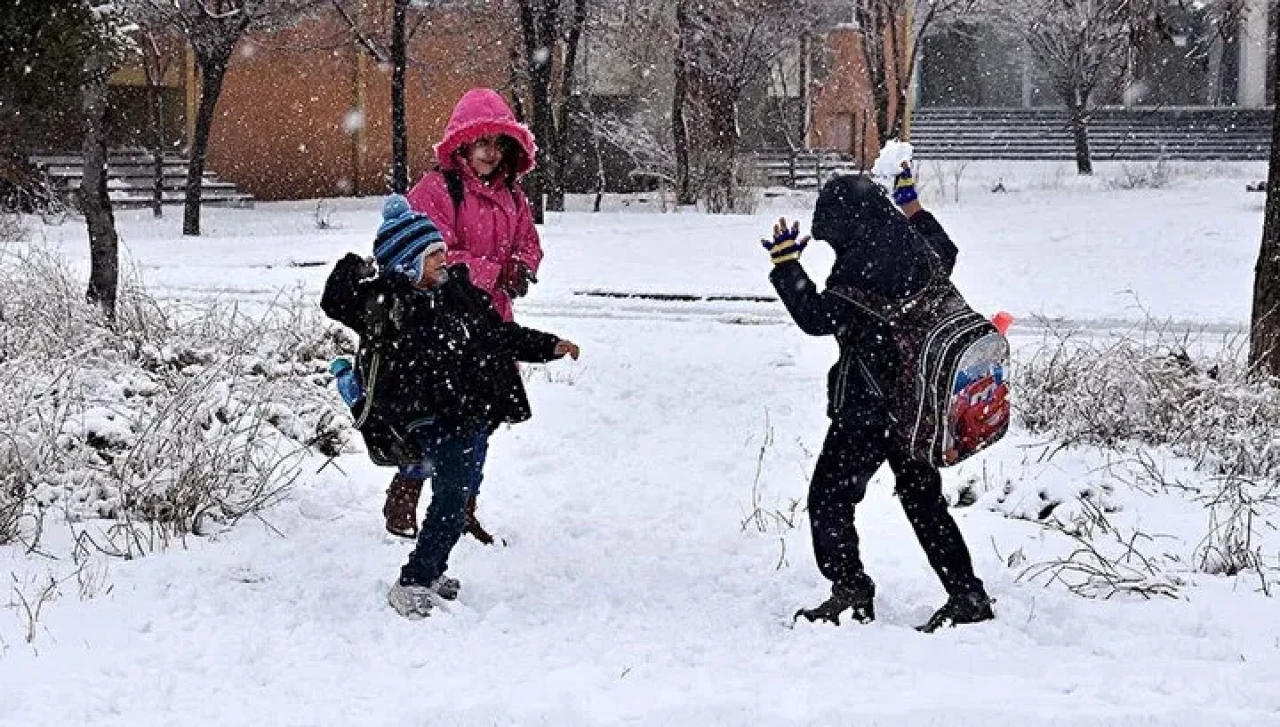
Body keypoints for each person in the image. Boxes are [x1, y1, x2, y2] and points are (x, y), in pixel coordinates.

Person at [762, 164, 994, 633]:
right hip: (917, 405)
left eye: (834, 238)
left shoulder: (859, 271)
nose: (834, 248)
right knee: (923, 502)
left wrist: (787, 266)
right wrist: (912, 205)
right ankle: (966, 594)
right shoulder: (917, 249)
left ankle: (850, 591)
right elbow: (946, 247)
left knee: (828, 498)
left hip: (868, 410)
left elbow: (817, 318)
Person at [322, 195, 579, 619]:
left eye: (441, 249)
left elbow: (502, 335)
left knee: (458, 495)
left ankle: (432, 569)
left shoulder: (459, 295)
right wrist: (357, 265)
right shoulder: (387, 305)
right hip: (428, 416)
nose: (444, 258)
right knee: (452, 499)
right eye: (432, 254)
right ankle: (414, 580)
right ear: (407, 264)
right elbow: (336, 301)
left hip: (470, 410)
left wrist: (549, 345)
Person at [389, 87, 543, 545]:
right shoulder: (435, 190)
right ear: (462, 143)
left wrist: (523, 268)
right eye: (482, 143)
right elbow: (427, 256)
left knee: (483, 421)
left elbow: (529, 243)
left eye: (499, 144)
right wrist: (493, 271)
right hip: (442, 327)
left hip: (492, 324)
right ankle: (410, 485)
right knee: (439, 421)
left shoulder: (514, 196)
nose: (491, 153)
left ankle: (461, 506)